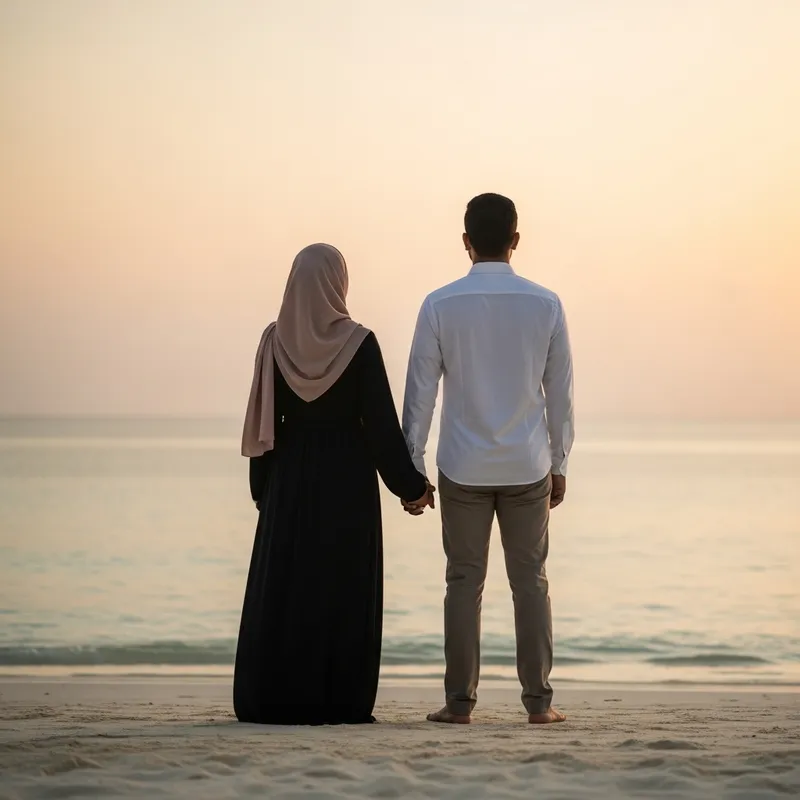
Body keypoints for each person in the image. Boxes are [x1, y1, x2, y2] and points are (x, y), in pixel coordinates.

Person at [235, 243, 434, 725]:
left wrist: (263, 490)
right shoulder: (359, 344)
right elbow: (381, 428)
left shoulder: (274, 341)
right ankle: (337, 700)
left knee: (287, 587)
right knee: (342, 587)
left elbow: (265, 420)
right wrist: (411, 488)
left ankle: (276, 698)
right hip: (347, 483)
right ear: (338, 283)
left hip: (289, 480)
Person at [401, 193, 574, 725]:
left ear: (466, 241)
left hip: (463, 466)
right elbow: (560, 394)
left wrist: (413, 467)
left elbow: (420, 394)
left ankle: (459, 705)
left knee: (462, 583)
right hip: (527, 464)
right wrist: (559, 462)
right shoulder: (546, 304)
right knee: (531, 583)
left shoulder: (439, 304)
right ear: (515, 240)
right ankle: (539, 705)